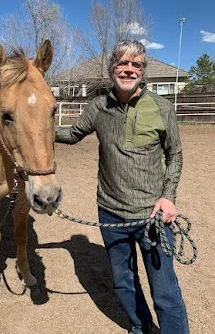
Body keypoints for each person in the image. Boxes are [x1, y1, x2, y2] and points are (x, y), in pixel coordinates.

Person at [55, 40, 189, 334]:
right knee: (124, 283)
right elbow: (73, 134)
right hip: (111, 214)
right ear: (111, 68)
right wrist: (35, 128)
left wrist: (168, 197)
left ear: (143, 71)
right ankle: (140, 328)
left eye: (136, 64)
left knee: (165, 292)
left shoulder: (162, 108)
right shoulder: (98, 107)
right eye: (122, 63)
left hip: (151, 216)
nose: (129, 70)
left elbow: (174, 154)